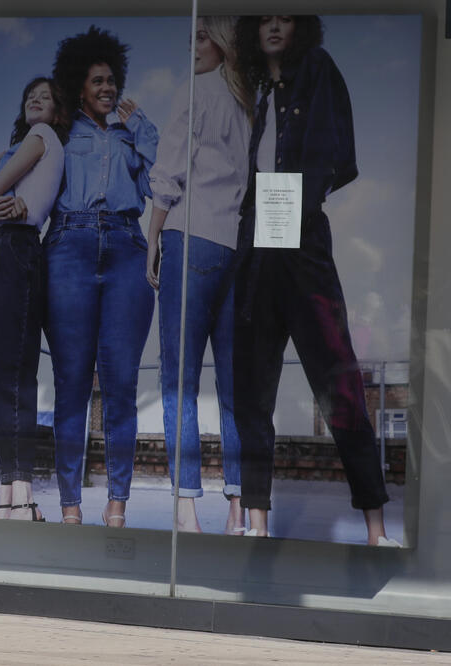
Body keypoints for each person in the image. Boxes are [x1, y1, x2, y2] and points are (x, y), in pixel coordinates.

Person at [232, 16, 398, 545]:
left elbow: (338, 155)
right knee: (253, 394)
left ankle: (375, 528)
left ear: (299, 27)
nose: (275, 25)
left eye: (285, 17)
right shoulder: (261, 95)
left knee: (339, 386)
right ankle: (257, 524)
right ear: (253, 33)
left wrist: (301, 201)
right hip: (257, 253)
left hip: (302, 248)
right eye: (265, 19)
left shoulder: (317, 71)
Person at [46, 25, 158, 526]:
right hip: (68, 247)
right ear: (80, 86)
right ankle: (70, 505)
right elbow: (27, 175)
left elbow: (164, 185)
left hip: (126, 249)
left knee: (120, 382)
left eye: (112, 79)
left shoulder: (134, 136)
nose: (108, 87)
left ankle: (117, 503)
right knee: (70, 381)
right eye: (97, 80)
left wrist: (146, 132)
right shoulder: (63, 133)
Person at [146, 16, 252, 534]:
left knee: (179, 380)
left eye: (203, 35)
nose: (194, 43)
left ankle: (186, 508)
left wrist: (152, 237)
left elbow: (170, 172)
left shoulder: (198, 91)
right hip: (236, 243)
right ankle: (238, 508)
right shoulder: (249, 100)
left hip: (190, 238)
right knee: (234, 385)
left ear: (224, 43)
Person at [0, 76, 67, 521]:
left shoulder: (42, 137)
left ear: (56, 110)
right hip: (3, 247)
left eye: (45, 96)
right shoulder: (26, 145)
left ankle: (20, 492)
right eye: (30, 94)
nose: (36, 99)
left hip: (19, 248)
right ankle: (9, 493)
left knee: (12, 369)